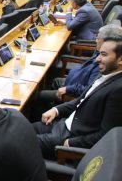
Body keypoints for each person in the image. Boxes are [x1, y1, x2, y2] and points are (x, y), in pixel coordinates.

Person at [34, 31, 122, 159]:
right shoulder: (105, 73)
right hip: (64, 123)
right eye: (99, 54)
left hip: (71, 137)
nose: (97, 59)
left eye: (103, 55)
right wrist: (56, 110)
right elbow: (79, 102)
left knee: (18, 143)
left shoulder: (118, 90)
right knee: (22, 129)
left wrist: (71, 143)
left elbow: (105, 135)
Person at [34, 25, 121, 121]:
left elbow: (88, 90)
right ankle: (52, 105)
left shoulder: (103, 66)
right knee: (55, 81)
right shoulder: (99, 53)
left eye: (98, 37)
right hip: (73, 82)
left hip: (72, 91)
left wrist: (68, 88)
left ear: (106, 40)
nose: (96, 40)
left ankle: (42, 118)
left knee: (39, 95)